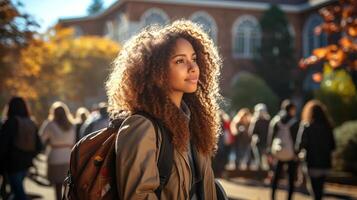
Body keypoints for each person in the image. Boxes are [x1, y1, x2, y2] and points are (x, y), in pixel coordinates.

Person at [105, 20, 222, 199]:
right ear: (157, 71)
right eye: (180, 61)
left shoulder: (196, 124)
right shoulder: (142, 127)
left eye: (194, 59)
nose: (193, 68)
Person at [0, 97, 40, 200]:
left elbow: (3, 145)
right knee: (16, 191)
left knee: (19, 193)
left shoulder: (10, 122)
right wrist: (30, 155)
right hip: (26, 163)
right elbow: (39, 145)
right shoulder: (31, 123)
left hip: (12, 163)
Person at [296, 100, 335, 200]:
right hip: (325, 163)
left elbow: (299, 145)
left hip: (311, 163)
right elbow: (333, 146)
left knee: (314, 190)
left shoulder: (306, 126)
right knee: (320, 189)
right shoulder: (328, 127)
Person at [39, 101, 76, 200]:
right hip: (68, 156)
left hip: (55, 156)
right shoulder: (72, 124)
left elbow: (41, 138)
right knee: (67, 184)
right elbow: (73, 141)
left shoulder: (50, 124)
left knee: (57, 186)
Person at [267, 99, 299, 200]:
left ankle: (272, 196)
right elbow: (297, 139)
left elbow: (271, 136)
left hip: (278, 151)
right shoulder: (295, 122)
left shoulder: (276, 120)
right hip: (290, 153)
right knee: (290, 177)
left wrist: (269, 151)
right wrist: (296, 153)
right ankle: (289, 197)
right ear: (291, 109)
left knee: (276, 176)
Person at [248, 103, 271, 170]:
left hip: (266, 142)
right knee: (259, 159)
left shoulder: (268, 120)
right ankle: (259, 173)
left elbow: (270, 132)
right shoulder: (255, 120)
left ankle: (267, 173)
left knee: (267, 159)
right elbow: (251, 132)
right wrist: (256, 136)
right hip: (258, 143)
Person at [213, 110, 234, 177]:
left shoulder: (221, 122)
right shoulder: (225, 122)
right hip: (221, 143)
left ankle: (218, 172)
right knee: (221, 157)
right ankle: (220, 172)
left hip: (220, 143)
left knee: (218, 157)